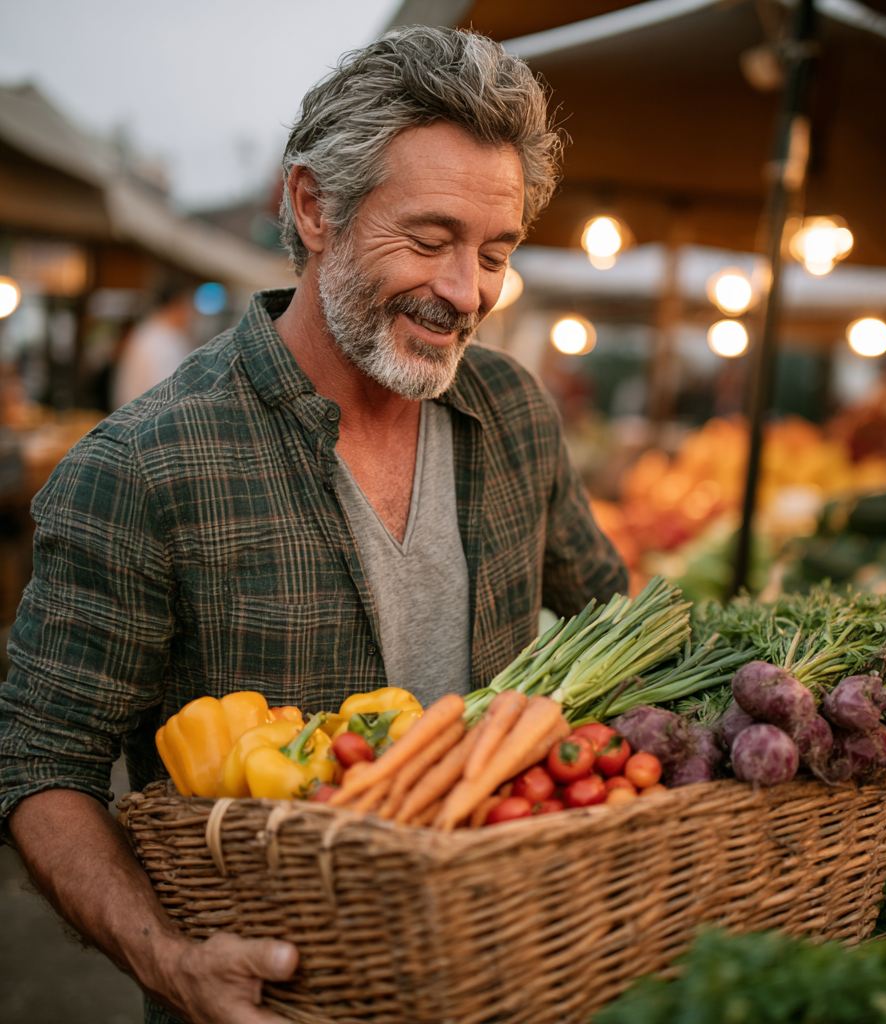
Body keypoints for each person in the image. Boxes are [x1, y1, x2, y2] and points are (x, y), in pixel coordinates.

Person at [0, 26, 626, 1024]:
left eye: (493, 251)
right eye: (427, 239)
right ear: (312, 206)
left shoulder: (513, 412)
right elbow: (38, 765)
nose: (465, 292)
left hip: (507, 980)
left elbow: (615, 623)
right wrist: (167, 960)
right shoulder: (144, 467)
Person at [111, 284, 194, 409]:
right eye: (189, 306)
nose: (192, 313)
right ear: (177, 305)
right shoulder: (160, 341)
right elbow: (168, 397)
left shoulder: (154, 331)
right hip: (145, 420)